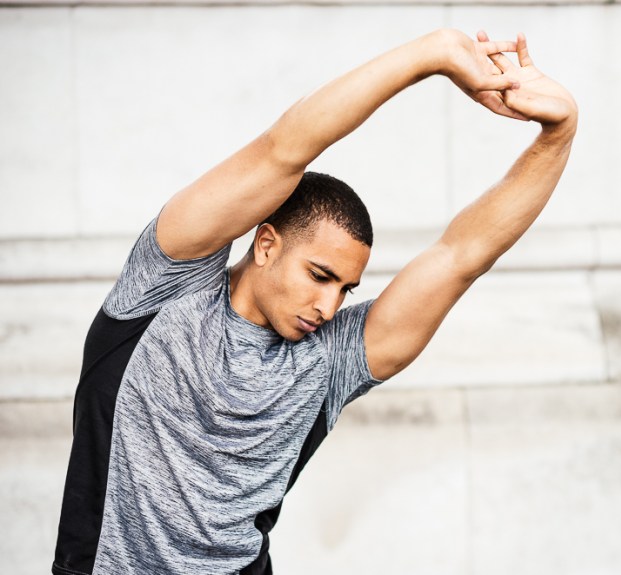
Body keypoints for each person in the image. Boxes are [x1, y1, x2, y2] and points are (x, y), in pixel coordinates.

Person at [52, 28, 577, 575]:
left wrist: (558, 134)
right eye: (319, 275)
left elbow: (462, 254)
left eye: (345, 288)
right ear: (266, 243)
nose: (329, 306)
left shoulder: (327, 361)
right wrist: (434, 54)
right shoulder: (163, 289)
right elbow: (284, 148)